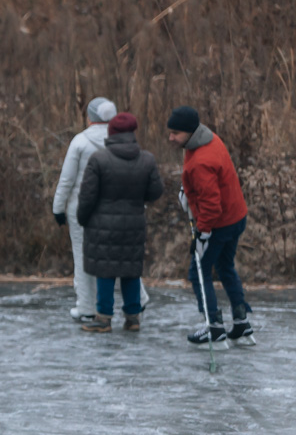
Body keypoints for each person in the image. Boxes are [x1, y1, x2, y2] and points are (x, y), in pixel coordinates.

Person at [52, 97, 150, 322]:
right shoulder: (125, 142)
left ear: (89, 117)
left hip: (82, 209)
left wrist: (58, 207)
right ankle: (139, 300)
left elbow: (67, 180)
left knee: (84, 257)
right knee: (123, 257)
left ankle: (86, 307)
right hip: (121, 208)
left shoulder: (79, 142)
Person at [166, 105, 255, 347]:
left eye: (175, 133)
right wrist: (188, 189)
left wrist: (202, 235)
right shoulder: (208, 139)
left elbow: (211, 206)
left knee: (199, 271)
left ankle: (213, 326)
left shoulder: (201, 161)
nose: (170, 138)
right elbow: (209, 185)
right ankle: (240, 321)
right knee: (225, 266)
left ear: (188, 132)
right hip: (236, 216)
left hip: (220, 223)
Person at [75, 113, 164, 333]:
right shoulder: (147, 159)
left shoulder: (99, 159)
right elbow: (155, 192)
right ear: (132, 134)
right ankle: (133, 318)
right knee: (131, 270)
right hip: (134, 224)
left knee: (105, 270)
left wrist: (82, 219)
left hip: (102, 225)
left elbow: (87, 196)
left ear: (111, 133)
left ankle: (104, 318)